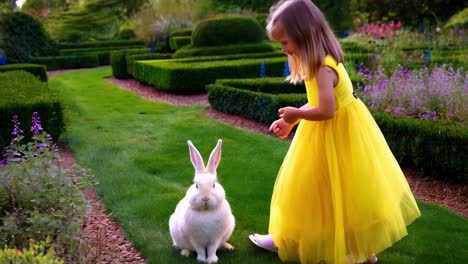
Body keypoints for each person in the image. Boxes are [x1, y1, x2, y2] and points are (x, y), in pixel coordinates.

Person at [248, 0, 421, 263]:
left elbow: (327, 111)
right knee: (319, 191)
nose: (283, 49)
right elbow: (318, 103)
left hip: (336, 134)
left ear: (303, 34)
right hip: (330, 133)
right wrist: (292, 121)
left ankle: (353, 249)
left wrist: (296, 114)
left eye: (285, 43)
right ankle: (291, 238)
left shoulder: (323, 69)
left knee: (329, 191)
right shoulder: (320, 63)